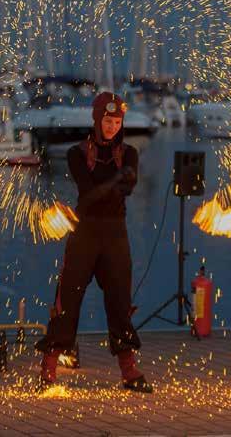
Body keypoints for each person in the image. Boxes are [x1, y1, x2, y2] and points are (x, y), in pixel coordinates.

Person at [36, 92, 152, 393]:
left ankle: (129, 371)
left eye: (117, 121)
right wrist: (116, 182)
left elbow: (127, 187)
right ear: (97, 120)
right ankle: (48, 370)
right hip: (84, 233)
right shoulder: (77, 153)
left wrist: (120, 182)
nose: (112, 126)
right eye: (107, 120)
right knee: (68, 300)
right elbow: (88, 196)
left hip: (115, 235)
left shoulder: (130, 154)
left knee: (120, 302)